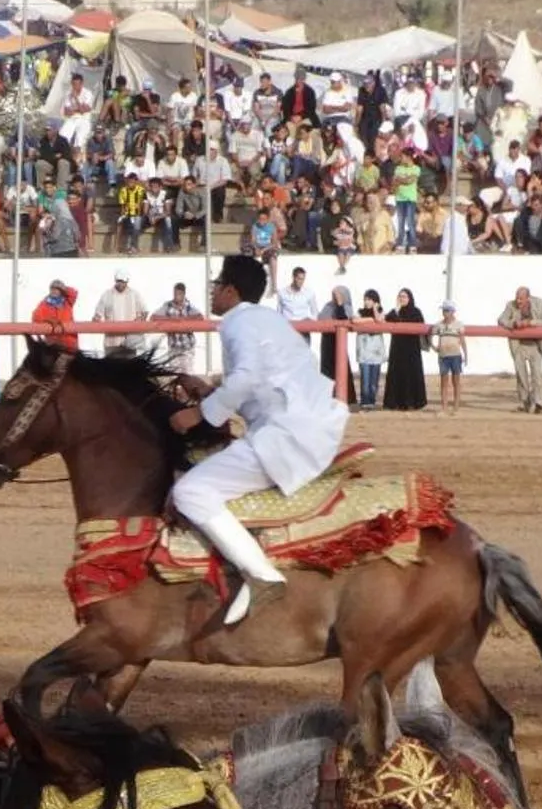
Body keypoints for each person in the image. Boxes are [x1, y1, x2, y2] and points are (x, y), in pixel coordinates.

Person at [167, 255, 349, 622]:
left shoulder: (240, 323)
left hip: (284, 437)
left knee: (189, 492)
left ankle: (260, 573)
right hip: (300, 428)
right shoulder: (265, 319)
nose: (214, 290)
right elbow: (258, 380)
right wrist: (209, 390)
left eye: (217, 284)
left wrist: (198, 414)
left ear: (231, 291)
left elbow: (248, 377)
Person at [498, 286, 542, 414]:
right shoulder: (510, 305)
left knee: (537, 376)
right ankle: (524, 403)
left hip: (536, 344)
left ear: (528, 298)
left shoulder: (540, 303)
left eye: (521, 298)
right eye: (517, 298)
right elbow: (501, 320)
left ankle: (539, 403)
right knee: (521, 375)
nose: (518, 301)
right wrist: (513, 324)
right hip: (519, 345)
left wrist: (530, 323)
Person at [383, 288, 428, 412]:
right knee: (397, 374)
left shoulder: (416, 312)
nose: (402, 299)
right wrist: (396, 310)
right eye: (400, 296)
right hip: (397, 350)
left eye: (404, 296)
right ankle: (395, 402)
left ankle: (412, 402)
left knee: (411, 375)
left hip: (411, 350)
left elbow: (420, 326)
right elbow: (386, 320)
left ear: (409, 298)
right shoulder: (395, 312)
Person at [91, 267, 148, 357]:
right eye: (119, 281)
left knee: (130, 369)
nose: (121, 283)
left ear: (127, 281)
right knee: (112, 369)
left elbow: (144, 312)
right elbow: (98, 314)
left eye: (123, 281)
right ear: (115, 280)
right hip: (112, 342)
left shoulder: (134, 294)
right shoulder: (107, 295)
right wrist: (96, 320)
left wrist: (139, 320)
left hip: (130, 342)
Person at [430, 300, 466, 414]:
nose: (445, 313)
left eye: (447, 310)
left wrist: (465, 354)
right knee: (444, 382)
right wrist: (433, 347)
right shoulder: (439, 325)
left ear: (452, 312)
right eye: (444, 310)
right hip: (443, 355)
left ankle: (456, 407)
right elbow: (430, 335)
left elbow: (463, 340)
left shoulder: (459, 324)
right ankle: (444, 407)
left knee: (456, 381)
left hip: (455, 355)